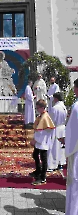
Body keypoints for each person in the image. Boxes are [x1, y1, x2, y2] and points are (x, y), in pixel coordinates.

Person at [29, 99, 55, 185]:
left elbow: (42, 131)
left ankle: (43, 177)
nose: (37, 109)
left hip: (43, 141)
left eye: (38, 108)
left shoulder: (45, 117)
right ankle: (38, 171)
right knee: (35, 155)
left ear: (42, 108)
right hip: (39, 141)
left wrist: (34, 140)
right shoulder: (41, 116)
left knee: (43, 159)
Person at [65, 78, 78, 215]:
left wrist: (68, 152)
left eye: (74, 88)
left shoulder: (76, 107)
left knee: (75, 184)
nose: (73, 90)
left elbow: (72, 132)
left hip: (76, 150)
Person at [47, 92, 67, 172]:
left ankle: (52, 165)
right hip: (62, 128)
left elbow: (52, 120)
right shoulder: (64, 107)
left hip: (56, 128)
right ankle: (60, 163)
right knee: (61, 147)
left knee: (54, 147)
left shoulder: (56, 108)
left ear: (56, 98)